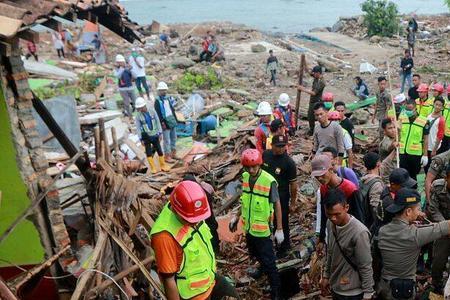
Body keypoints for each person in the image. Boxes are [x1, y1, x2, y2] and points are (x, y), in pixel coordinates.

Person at [150, 181, 238, 300]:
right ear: (176, 210)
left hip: (210, 281)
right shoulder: (164, 237)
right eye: (190, 220)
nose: (195, 222)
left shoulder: (192, 210)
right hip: (194, 295)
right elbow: (168, 279)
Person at [377, 188, 450, 300]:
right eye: (417, 209)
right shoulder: (414, 235)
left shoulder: (382, 231)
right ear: (408, 212)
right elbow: (441, 228)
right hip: (403, 290)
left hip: (384, 285)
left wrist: (412, 220)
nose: (419, 212)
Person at [229, 149, 283, 299]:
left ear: (260, 165)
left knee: (269, 261)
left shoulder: (268, 181)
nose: (251, 170)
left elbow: (277, 204)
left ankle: (276, 290)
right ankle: (261, 269)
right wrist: (236, 216)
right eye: (248, 167)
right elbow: (244, 200)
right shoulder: (245, 177)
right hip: (249, 228)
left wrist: (279, 229)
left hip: (263, 231)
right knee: (255, 254)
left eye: (254, 167)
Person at [319, 188, 374, 300]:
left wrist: (368, 292)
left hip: (353, 292)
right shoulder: (330, 223)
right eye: (329, 214)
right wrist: (326, 275)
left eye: (337, 214)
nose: (333, 218)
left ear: (346, 208)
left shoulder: (359, 232)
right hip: (336, 287)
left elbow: (366, 265)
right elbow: (330, 252)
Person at [311, 155, 364, 249]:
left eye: (322, 175)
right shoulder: (323, 189)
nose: (319, 179)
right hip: (333, 232)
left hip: (350, 232)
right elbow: (324, 214)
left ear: (331, 169)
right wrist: (322, 237)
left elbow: (359, 216)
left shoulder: (350, 189)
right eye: (317, 176)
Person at [262, 135, 297, 258]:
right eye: (278, 146)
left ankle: (283, 247)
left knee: (282, 221)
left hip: (281, 195)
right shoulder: (265, 155)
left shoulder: (289, 163)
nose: (281, 149)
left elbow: (293, 185)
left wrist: (293, 202)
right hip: (264, 192)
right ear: (272, 145)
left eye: (283, 146)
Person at [182, 174, 220, 254]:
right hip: (207, 220)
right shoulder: (202, 191)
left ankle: (215, 251)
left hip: (206, 220)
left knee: (211, 235)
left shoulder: (201, 193)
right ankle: (215, 251)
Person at [428, 164, 450, 293]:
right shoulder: (437, 187)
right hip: (442, 229)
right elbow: (433, 209)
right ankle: (436, 286)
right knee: (438, 261)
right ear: (446, 178)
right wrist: (445, 226)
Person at [134, 97, 167, 173]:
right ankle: (153, 168)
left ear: (144, 105)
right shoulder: (138, 116)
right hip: (146, 137)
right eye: (139, 108)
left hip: (155, 135)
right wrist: (140, 139)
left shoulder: (152, 111)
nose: (140, 110)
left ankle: (163, 165)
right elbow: (138, 128)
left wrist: (160, 133)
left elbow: (158, 122)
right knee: (148, 152)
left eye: (141, 108)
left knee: (159, 150)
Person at [399, 98, 430, 180]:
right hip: (402, 152)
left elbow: (426, 139)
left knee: (413, 176)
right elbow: (399, 134)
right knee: (403, 175)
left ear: (415, 108)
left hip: (415, 154)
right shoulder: (402, 118)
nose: (408, 111)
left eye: (410, 109)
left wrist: (425, 155)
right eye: (406, 109)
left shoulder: (424, 121)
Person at [298, 65, 326, 135]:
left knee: (319, 117)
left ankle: (321, 130)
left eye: (315, 73)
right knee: (310, 117)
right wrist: (304, 64)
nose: (314, 75)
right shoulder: (316, 77)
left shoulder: (321, 82)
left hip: (317, 102)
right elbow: (309, 72)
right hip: (312, 101)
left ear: (319, 73)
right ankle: (312, 130)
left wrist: (302, 89)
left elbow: (313, 93)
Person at [154, 81, 178, 163]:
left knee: (174, 137)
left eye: (165, 90)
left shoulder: (168, 99)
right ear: (159, 91)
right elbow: (158, 114)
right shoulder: (157, 101)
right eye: (162, 90)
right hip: (165, 122)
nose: (164, 91)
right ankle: (167, 156)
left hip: (171, 120)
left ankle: (173, 153)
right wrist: (162, 123)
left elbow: (172, 110)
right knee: (167, 140)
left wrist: (176, 119)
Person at [361, 152, 387, 224]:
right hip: (371, 224)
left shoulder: (363, 179)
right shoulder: (376, 184)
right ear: (378, 163)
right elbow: (375, 208)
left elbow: (386, 162)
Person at [425, 97, 445, 173]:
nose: (437, 107)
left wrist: (434, 150)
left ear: (442, 107)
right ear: (433, 104)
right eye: (436, 104)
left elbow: (440, 136)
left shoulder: (441, 120)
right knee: (426, 166)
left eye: (440, 105)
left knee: (433, 169)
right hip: (426, 147)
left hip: (434, 148)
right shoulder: (428, 116)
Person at [379, 118, 399, 184]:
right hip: (388, 175)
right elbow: (390, 146)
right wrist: (398, 133)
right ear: (384, 131)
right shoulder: (384, 141)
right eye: (390, 128)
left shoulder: (397, 138)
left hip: (396, 171)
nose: (393, 130)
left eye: (394, 127)